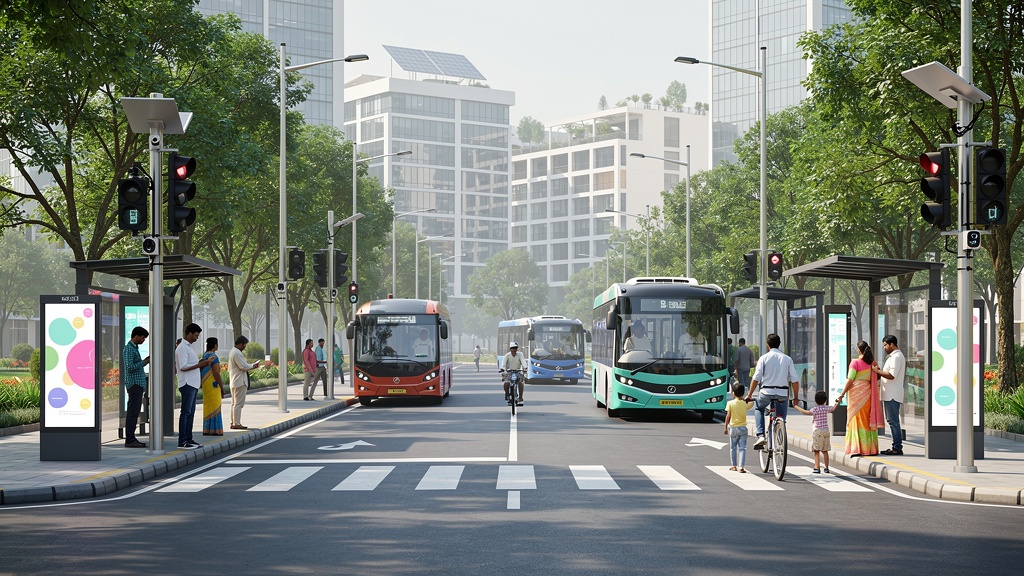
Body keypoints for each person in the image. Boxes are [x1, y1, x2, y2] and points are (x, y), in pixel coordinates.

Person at [745, 333, 798, 450]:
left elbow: (756, 378)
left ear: (768, 345)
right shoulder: (787, 359)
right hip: (783, 394)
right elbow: (795, 380)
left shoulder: (764, 358)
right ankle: (780, 430)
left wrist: (749, 395)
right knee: (781, 417)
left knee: (759, 408)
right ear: (779, 345)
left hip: (766, 392)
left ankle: (760, 435)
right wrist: (796, 397)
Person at [835, 340, 885, 457]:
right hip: (868, 394)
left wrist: (842, 394)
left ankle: (857, 448)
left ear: (858, 349)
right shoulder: (872, 363)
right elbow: (876, 377)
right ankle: (870, 448)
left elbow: (850, 379)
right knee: (867, 420)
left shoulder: (855, 363)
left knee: (856, 420)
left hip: (855, 394)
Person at [176, 323, 211, 449]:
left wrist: (201, 363)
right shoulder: (182, 348)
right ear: (189, 333)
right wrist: (200, 365)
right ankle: (182, 441)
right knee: (185, 412)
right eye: (195, 335)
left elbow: (191, 364)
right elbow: (183, 366)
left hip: (193, 383)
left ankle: (189, 439)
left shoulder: (189, 347)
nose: (197, 338)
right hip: (187, 383)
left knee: (191, 412)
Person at [873, 335, 906, 456]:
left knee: (893, 421)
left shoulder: (897, 357)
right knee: (892, 421)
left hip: (892, 394)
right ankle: (895, 446)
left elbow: (892, 375)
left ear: (892, 344)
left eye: (885, 345)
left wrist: (877, 371)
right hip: (889, 394)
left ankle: (897, 447)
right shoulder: (893, 357)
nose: (885, 348)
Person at [793, 390, 837, 473]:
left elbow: (806, 412)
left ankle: (817, 467)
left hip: (817, 431)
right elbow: (833, 408)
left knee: (816, 450)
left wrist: (796, 406)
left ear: (816, 400)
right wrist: (837, 402)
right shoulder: (826, 408)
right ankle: (826, 467)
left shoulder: (815, 409)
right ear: (825, 400)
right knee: (825, 450)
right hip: (826, 430)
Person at [121, 326, 150, 448]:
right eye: (143, 337)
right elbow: (129, 367)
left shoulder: (134, 349)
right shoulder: (129, 349)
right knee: (133, 412)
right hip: (134, 385)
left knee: (134, 412)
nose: (143, 340)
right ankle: (130, 439)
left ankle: (131, 437)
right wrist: (144, 362)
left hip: (138, 384)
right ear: (137, 336)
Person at [228, 335, 261, 430]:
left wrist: (251, 365)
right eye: (244, 345)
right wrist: (253, 366)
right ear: (241, 344)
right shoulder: (237, 353)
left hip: (234, 380)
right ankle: (236, 423)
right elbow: (243, 366)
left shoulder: (233, 352)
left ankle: (234, 422)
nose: (245, 347)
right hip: (239, 381)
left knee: (234, 404)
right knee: (238, 404)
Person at [723, 383, 754, 472]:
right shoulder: (744, 404)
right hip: (743, 428)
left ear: (733, 393)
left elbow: (728, 416)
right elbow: (751, 404)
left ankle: (734, 465)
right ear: (743, 393)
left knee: (733, 447)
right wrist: (748, 398)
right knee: (742, 448)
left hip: (733, 428)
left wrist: (725, 427)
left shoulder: (730, 403)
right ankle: (741, 467)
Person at [200, 337, 224, 436]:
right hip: (213, 384)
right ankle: (215, 429)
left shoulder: (204, 356)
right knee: (216, 405)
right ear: (215, 345)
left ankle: (207, 429)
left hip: (205, 384)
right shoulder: (214, 357)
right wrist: (222, 387)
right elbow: (216, 373)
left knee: (208, 405)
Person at [499, 341, 526, 405]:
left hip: (517, 371)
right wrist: (502, 368)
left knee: (520, 383)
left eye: (515, 348)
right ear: (510, 349)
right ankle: (507, 394)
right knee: (506, 383)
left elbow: (523, 361)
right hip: (509, 372)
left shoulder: (520, 354)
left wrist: (525, 368)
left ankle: (520, 397)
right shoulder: (507, 355)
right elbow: (503, 363)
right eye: (513, 348)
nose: (514, 350)